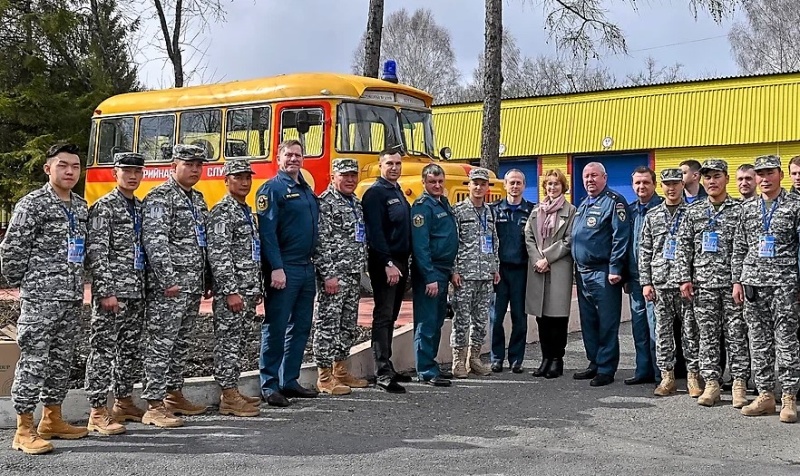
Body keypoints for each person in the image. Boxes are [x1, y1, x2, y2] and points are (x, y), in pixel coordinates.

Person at [0, 143, 89, 454]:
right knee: (34, 361)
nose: (69, 171)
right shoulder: (32, 204)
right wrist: (24, 284)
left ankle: (53, 418)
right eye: (63, 165)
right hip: (41, 298)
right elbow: (11, 252)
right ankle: (24, 428)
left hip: (70, 298)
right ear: (48, 168)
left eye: (75, 166)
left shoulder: (79, 206)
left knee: (61, 361)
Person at [140, 144, 210, 427]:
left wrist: (206, 278)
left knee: (180, 343)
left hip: (192, 285)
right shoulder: (160, 197)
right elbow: (156, 243)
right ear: (174, 166)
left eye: (198, 165)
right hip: (169, 287)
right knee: (161, 344)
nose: (195, 169)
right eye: (189, 164)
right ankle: (154, 404)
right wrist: (168, 279)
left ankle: (173, 393)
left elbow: (203, 242)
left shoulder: (198, 199)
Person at [676, 159, 749, 408]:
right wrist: (684, 278)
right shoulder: (693, 212)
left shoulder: (740, 210)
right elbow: (683, 248)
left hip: (732, 286)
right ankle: (712, 384)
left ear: (726, 179)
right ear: (701, 180)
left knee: (736, 336)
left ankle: (739, 383)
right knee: (706, 336)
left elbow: (745, 249)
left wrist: (739, 280)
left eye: (716, 176)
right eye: (707, 177)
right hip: (703, 286)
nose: (712, 181)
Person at [734, 155, 800, 423]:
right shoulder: (748, 209)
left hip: (785, 285)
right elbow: (739, 246)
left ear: (780, 175)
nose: (763, 178)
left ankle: (788, 397)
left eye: (769, 172)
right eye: (760, 173)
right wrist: (737, 280)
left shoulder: (795, 206)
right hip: (753, 285)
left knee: (786, 341)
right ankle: (765, 395)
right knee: (758, 342)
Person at [84, 152, 147, 436]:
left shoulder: (141, 207)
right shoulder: (104, 207)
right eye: (127, 171)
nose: (132, 176)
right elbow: (96, 252)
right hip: (113, 294)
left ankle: (123, 401)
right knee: (103, 350)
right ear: (115, 173)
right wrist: (106, 291)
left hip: (136, 291)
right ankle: (97, 411)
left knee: (130, 351)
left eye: (137, 171)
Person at [256, 139, 320, 407]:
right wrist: (276, 268)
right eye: (289, 155)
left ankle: (289, 379)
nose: (294, 159)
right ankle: (269, 385)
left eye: (298, 155)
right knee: (277, 326)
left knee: (301, 326)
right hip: (285, 267)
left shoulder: (305, 189)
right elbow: (267, 234)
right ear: (279, 158)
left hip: (306, 266)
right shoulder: (272, 189)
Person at [207, 159, 262, 417]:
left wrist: (256, 286)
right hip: (234, 292)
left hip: (247, 289)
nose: (244, 182)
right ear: (226, 180)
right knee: (227, 342)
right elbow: (220, 255)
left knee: (239, 342)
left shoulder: (245, 210)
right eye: (238, 177)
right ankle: (227, 396)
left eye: (247, 177)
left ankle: (233, 389)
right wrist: (230, 290)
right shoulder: (222, 211)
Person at [639, 168, 700, 398]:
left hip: (686, 284)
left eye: (676, 183)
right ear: (661, 186)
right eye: (667, 184)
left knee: (691, 332)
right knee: (662, 332)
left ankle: (693, 376)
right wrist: (646, 282)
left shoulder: (693, 213)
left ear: (683, 185)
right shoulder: (652, 216)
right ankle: (667, 377)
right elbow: (644, 250)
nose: (671, 188)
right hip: (661, 282)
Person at [312, 158, 370, 395]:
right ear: (333, 176)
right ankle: (324, 376)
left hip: (353, 273)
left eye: (353, 175)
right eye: (344, 175)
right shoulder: (325, 203)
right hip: (334, 276)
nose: (349, 180)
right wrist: (328, 275)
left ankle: (341, 369)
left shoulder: (355, 203)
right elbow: (320, 242)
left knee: (347, 325)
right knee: (328, 324)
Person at [571, 162, 630, 387]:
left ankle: (606, 369)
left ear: (604, 177)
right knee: (589, 322)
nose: (589, 180)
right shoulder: (584, 204)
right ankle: (594, 362)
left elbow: (621, 237)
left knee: (606, 322)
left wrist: (615, 268)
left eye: (594, 176)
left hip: (603, 272)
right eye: (586, 176)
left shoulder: (614, 203)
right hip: (583, 272)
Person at [362, 147, 415, 393]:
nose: (394, 168)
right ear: (380, 166)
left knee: (392, 316)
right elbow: (375, 233)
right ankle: (381, 372)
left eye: (397, 164)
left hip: (401, 261)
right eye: (389, 164)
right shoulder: (375, 194)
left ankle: (389, 364)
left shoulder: (397, 191)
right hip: (387, 263)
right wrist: (387, 263)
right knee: (383, 316)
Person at [524, 168, 576, 379]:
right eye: (549, 184)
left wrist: (547, 258)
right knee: (542, 318)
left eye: (556, 184)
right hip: (538, 269)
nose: (552, 187)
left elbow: (569, 239)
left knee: (557, 317)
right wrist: (537, 259)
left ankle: (557, 359)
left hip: (558, 268)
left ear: (563, 187)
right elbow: (528, 235)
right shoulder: (537, 210)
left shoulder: (571, 210)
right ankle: (545, 358)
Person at [450, 168, 500, 378]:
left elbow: (494, 240)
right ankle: (458, 361)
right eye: (475, 183)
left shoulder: (489, 212)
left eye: (483, 184)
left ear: (487, 187)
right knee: (461, 319)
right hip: (465, 274)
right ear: (468, 185)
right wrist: (454, 270)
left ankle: (475, 359)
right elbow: (452, 243)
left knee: (480, 320)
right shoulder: (458, 211)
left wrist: (495, 267)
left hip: (485, 275)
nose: (479, 187)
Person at [411, 164, 458, 387]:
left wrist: (450, 271)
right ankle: (426, 370)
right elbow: (421, 247)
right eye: (432, 182)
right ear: (424, 183)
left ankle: (432, 364)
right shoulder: (422, 208)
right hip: (430, 272)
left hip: (442, 270)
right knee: (427, 321)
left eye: (440, 181)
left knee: (438, 320)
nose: (437, 185)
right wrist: (429, 276)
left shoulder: (442, 203)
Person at [489, 169, 534, 373]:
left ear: (524, 186)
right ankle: (496, 357)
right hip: (498, 272)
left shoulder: (532, 211)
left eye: (518, 183)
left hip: (521, 272)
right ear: (504, 185)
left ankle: (516, 359)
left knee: (519, 317)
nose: (515, 187)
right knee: (496, 317)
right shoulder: (493, 210)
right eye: (511, 183)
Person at [624, 166, 662, 385]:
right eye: (637, 183)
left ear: (654, 184)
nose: (641, 187)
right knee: (639, 326)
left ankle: (661, 372)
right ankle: (643, 370)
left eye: (646, 182)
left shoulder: (661, 209)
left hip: (656, 280)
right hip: (635, 279)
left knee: (656, 326)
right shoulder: (630, 211)